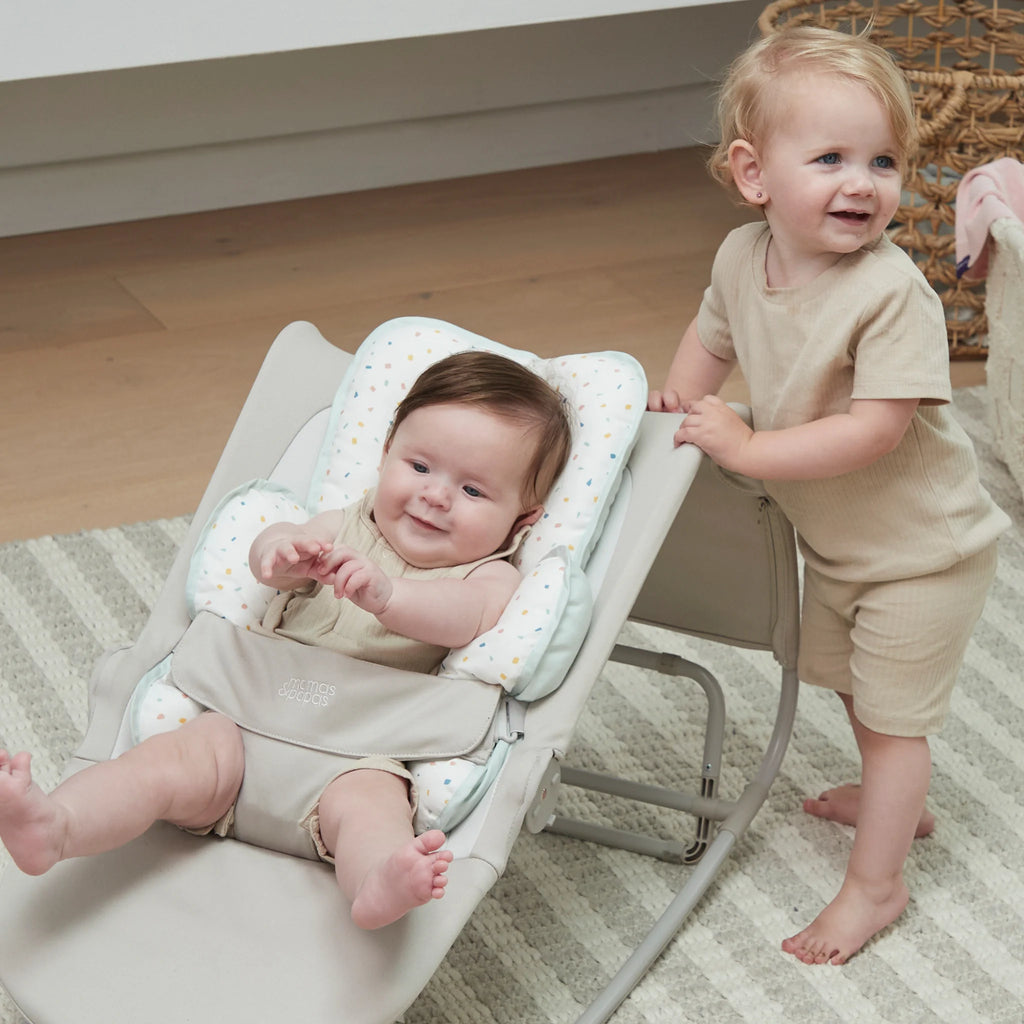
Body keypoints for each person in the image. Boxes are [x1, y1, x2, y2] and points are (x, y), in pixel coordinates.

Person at [649, 26, 1009, 965]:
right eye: (831, 158)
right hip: (840, 546)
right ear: (753, 174)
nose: (864, 182)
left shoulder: (892, 294)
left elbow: (874, 430)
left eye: (884, 161)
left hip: (926, 553)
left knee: (895, 723)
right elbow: (710, 342)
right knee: (852, 686)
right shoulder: (740, 256)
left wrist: (751, 446)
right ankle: (903, 808)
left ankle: (876, 884)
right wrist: (674, 407)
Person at [0, 350, 573, 930]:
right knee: (161, 765)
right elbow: (277, 553)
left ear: (523, 521)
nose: (436, 496)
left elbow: (462, 616)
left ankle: (378, 882)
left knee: (373, 812)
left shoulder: (491, 576)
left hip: (359, 753)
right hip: (243, 726)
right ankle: (57, 824)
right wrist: (277, 554)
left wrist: (388, 597)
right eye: (420, 467)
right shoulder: (343, 526)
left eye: (473, 491)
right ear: (385, 456)